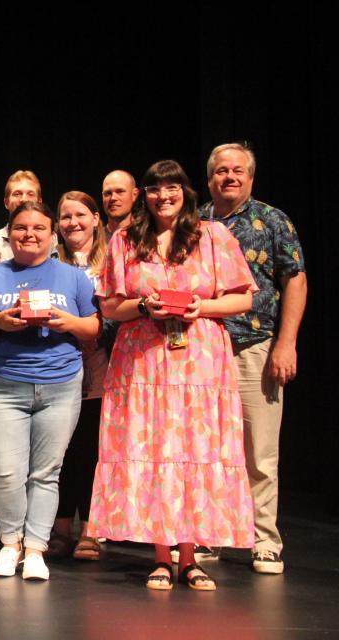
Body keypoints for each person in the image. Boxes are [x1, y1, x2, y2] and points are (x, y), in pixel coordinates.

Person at [87, 160, 258, 591]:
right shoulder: (126, 239)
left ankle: (190, 557)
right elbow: (110, 305)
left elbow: (241, 300)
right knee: (154, 450)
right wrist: (145, 308)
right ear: (143, 195)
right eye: (154, 188)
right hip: (143, 361)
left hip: (199, 360)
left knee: (193, 451)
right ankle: (161, 557)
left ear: (186, 191)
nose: (164, 196)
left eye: (172, 187)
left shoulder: (214, 235)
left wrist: (202, 308)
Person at [0, 201, 99, 580]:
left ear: (52, 234)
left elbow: (94, 329)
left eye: (38, 228)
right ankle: (9, 544)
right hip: (5, 386)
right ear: (10, 233)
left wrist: (67, 322)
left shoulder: (73, 277)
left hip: (60, 385)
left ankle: (35, 549)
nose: (29, 235)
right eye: (21, 228)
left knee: (45, 473)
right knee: (6, 472)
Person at [200, 143, 307, 574]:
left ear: (250, 177)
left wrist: (286, 343)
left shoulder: (272, 220)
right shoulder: (197, 221)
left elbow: (295, 280)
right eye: (221, 171)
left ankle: (264, 541)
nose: (230, 177)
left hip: (254, 345)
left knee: (259, 452)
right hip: (201, 350)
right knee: (207, 450)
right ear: (210, 177)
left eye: (238, 171)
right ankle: (211, 535)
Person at [48, 191, 108, 561]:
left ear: (96, 218)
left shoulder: (113, 259)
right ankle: (60, 527)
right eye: (65, 216)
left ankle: (92, 530)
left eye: (80, 215)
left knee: (93, 450)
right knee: (62, 452)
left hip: (103, 366)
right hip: (61, 367)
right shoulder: (51, 263)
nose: (73, 222)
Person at [0, 170, 43, 261]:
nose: (23, 199)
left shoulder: (51, 240)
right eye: (17, 194)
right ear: (6, 202)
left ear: (39, 202)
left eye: (30, 194)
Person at [100, 170, 140, 235]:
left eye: (120, 191)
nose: (113, 198)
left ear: (134, 195)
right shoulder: (93, 239)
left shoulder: (147, 238)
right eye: (108, 193)